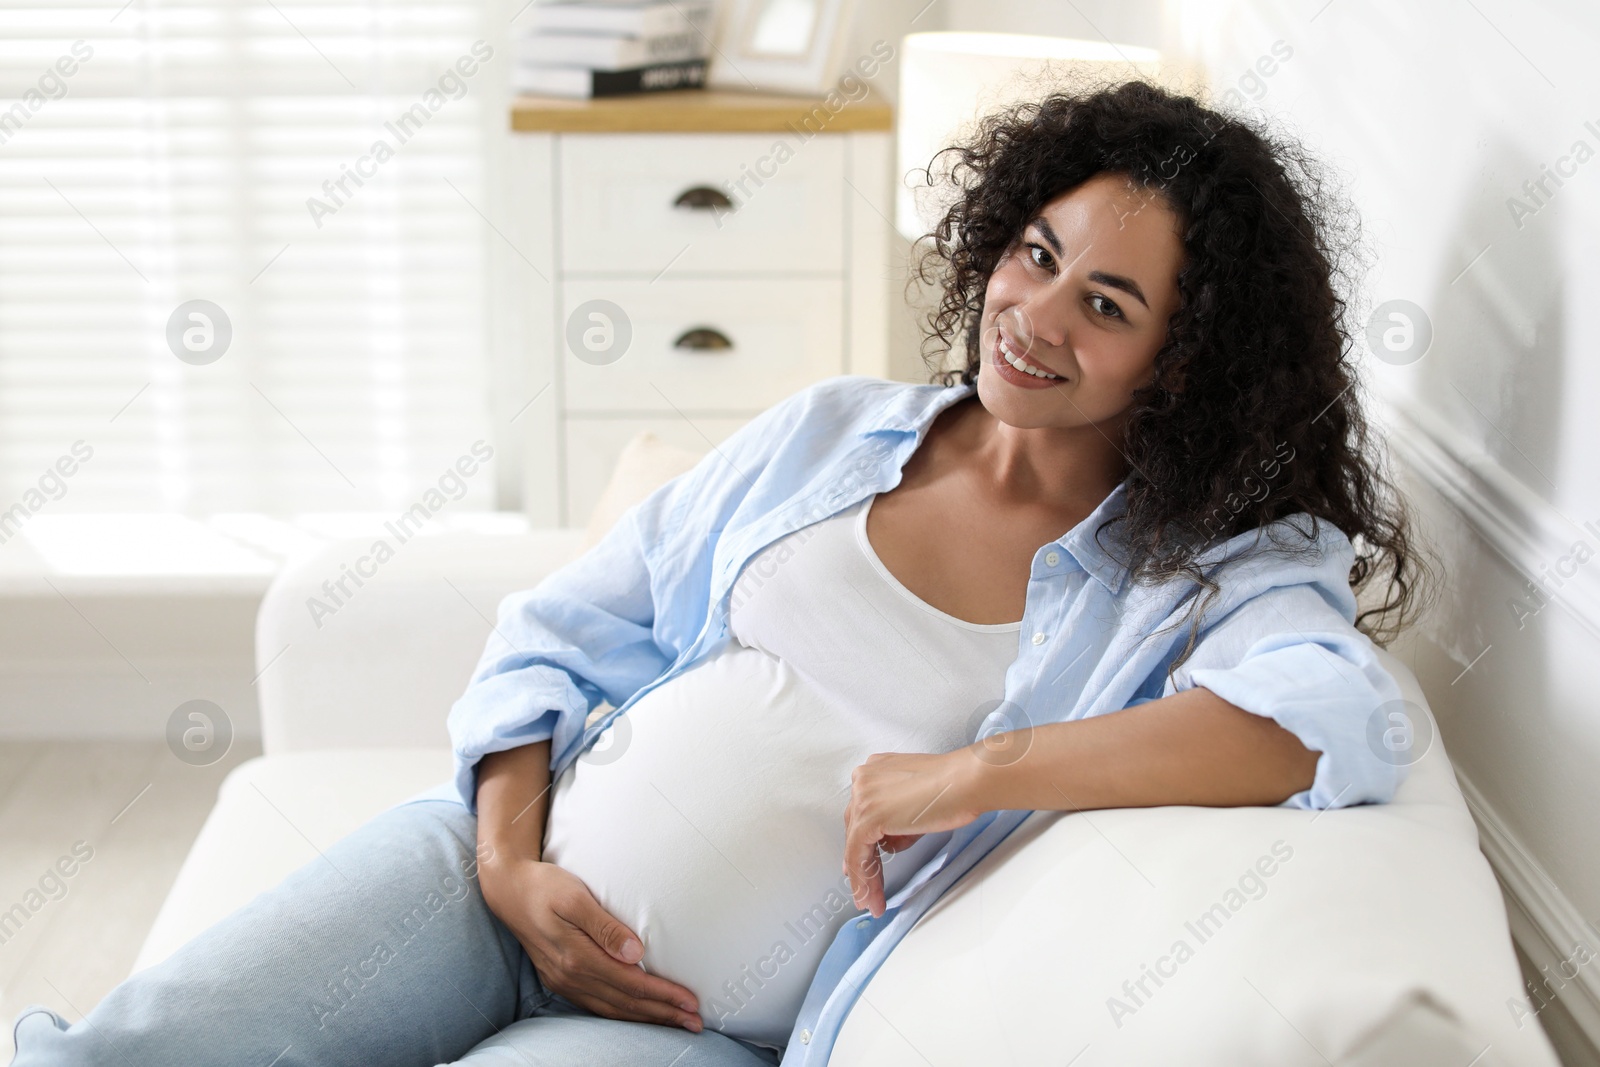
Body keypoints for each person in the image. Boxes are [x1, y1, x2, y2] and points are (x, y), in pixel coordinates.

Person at [10, 78, 1426, 1067]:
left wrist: (977, 777)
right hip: (489, 887)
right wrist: (509, 862)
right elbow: (563, 631)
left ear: (1185, 362)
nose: (1033, 315)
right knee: (137, 1052)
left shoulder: (1198, 573)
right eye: (1036, 253)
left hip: (688, 1030)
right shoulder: (832, 432)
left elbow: (1340, 720)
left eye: (1104, 304)